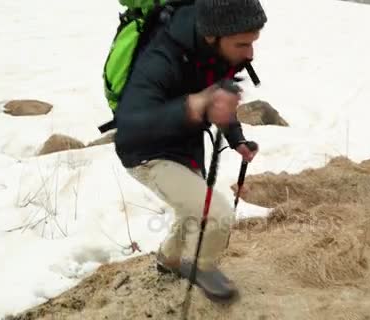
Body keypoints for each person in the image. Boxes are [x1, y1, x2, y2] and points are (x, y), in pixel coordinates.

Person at [113, 0, 267, 300]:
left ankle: (169, 259)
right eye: (243, 44)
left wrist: (236, 139)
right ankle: (200, 266)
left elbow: (217, 100)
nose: (250, 54)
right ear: (213, 35)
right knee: (216, 212)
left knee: (192, 210)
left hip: (183, 145)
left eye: (253, 43)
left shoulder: (214, 51)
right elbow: (130, 124)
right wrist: (194, 105)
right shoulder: (160, 58)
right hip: (145, 152)